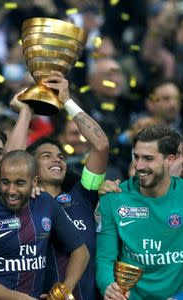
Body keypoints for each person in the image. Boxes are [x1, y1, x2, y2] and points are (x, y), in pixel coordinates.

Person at [24, 72, 109, 300]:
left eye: (60, 156)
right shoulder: (23, 202)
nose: (57, 159)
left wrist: (67, 101)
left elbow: (100, 145)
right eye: (46, 155)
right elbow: (10, 160)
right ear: (30, 166)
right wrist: (25, 111)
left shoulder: (83, 194)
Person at [96, 125, 183, 300]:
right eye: (136, 157)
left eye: (148, 159)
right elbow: (104, 259)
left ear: (169, 160)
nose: (139, 166)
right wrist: (107, 286)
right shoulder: (112, 198)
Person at [0, 150, 89, 299]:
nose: (11, 190)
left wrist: (62, 293)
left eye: (19, 183)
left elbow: (81, 252)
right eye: (5, 182)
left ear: (34, 182)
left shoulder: (46, 203)